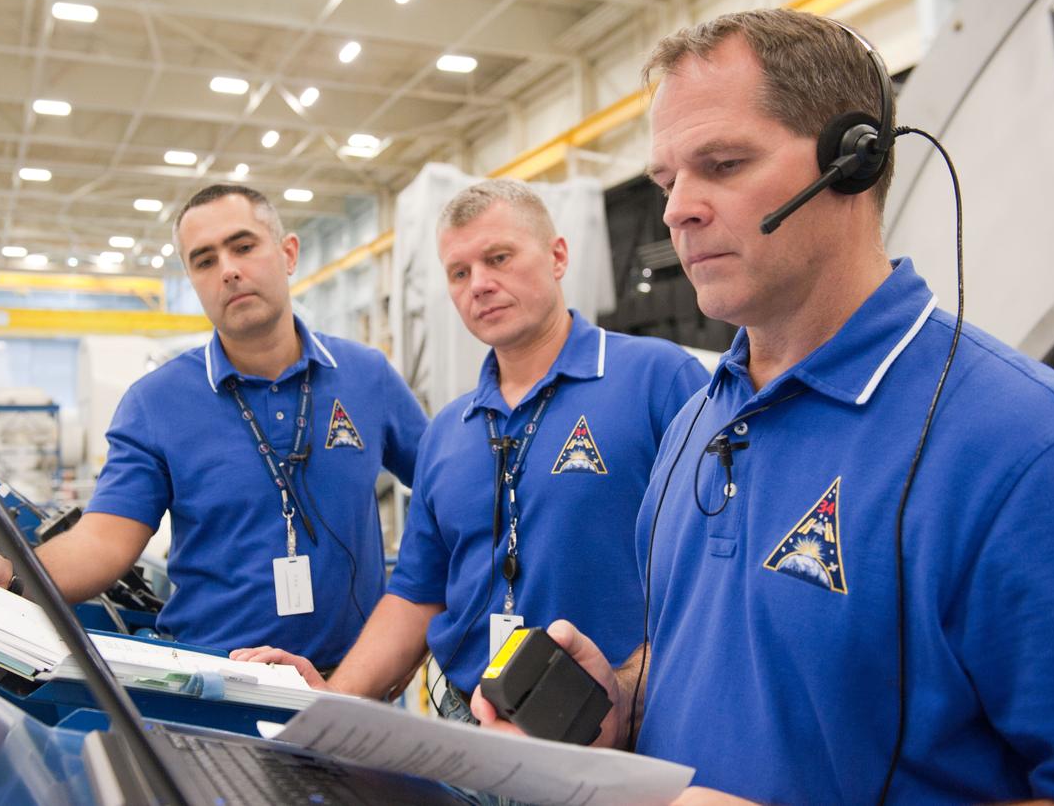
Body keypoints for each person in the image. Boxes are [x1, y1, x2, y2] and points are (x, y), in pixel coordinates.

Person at [471, 9, 1054, 805]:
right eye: (666, 180)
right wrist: (619, 701)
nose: (676, 210)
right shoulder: (697, 423)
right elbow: (708, 659)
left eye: (720, 164)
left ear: (852, 162)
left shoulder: (1027, 447)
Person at [233, 179, 708, 718]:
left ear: (557, 257)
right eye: (459, 272)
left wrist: (629, 694)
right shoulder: (448, 431)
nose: (479, 284)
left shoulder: (658, 380)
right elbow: (416, 593)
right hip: (467, 720)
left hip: (611, 723)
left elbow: (716, 567)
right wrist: (333, 697)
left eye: (499, 258)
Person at [0, 184, 428, 669]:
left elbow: (444, 495)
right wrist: (11, 572)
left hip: (348, 685)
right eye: (204, 261)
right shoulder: (156, 404)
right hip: (215, 684)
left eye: (243, 247)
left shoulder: (367, 377)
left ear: (288, 253)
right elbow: (103, 542)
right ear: (193, 280)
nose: (229, 270)